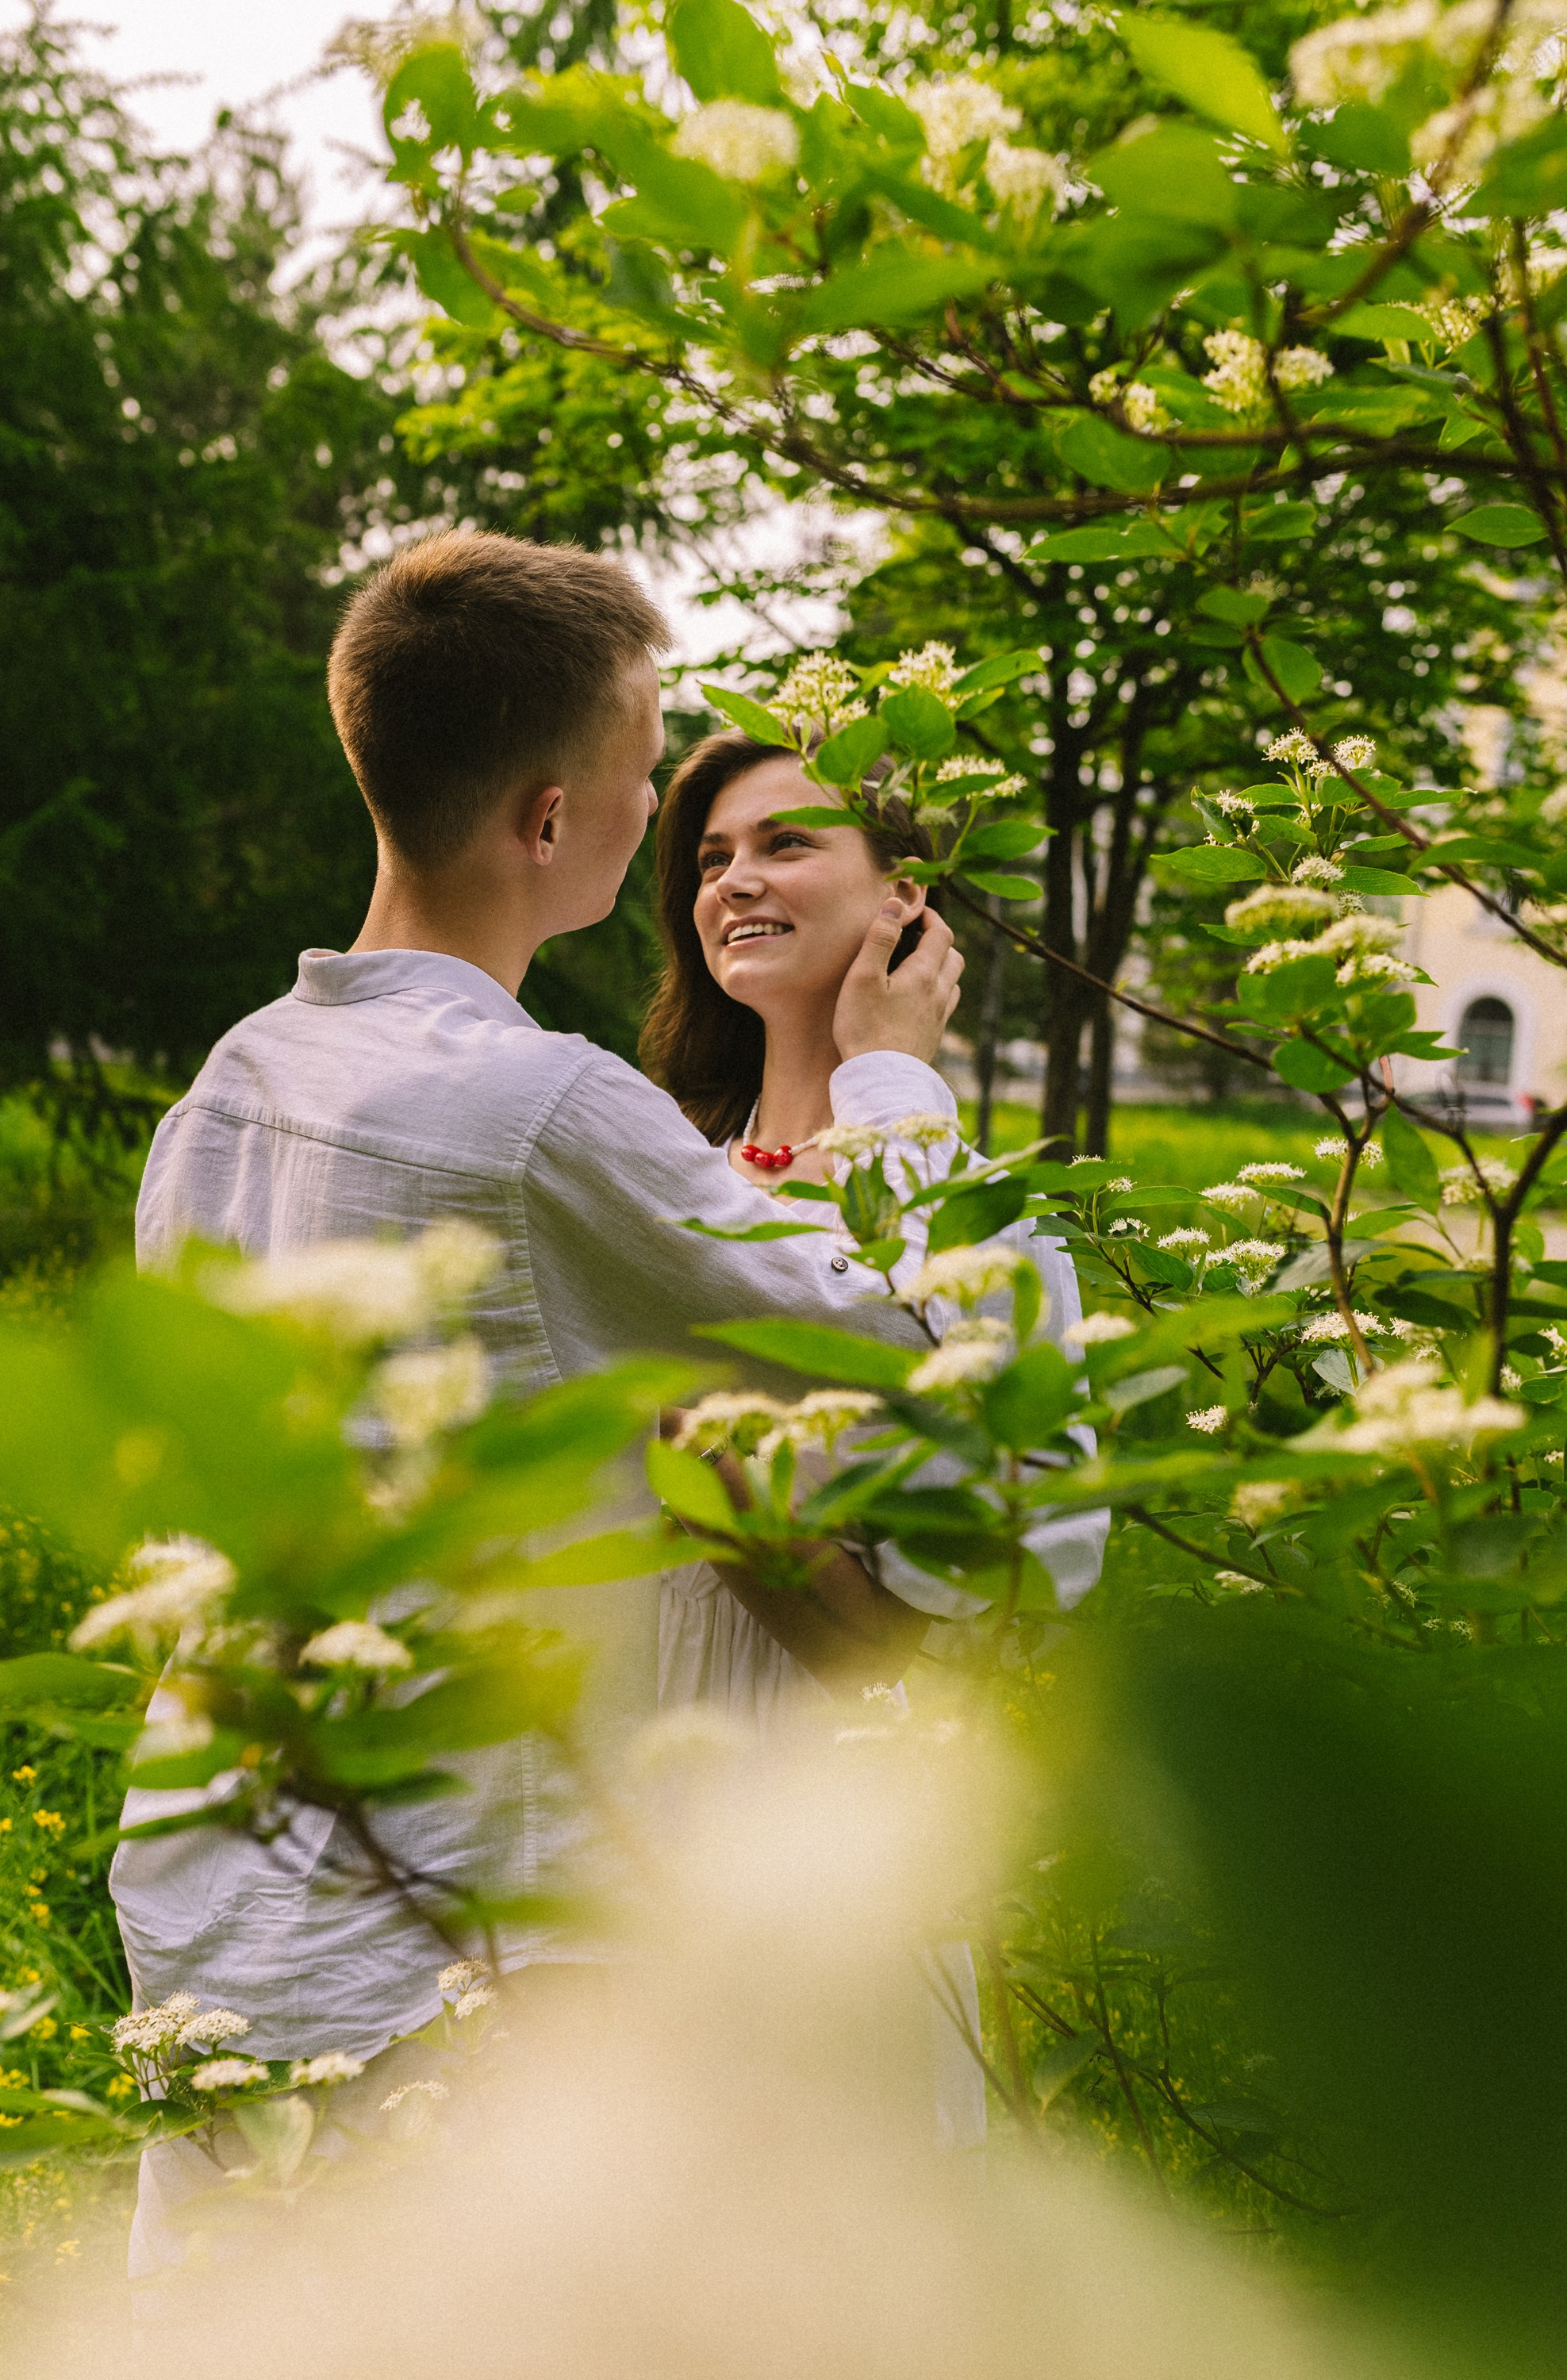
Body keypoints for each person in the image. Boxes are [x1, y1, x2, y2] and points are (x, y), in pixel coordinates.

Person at [117, 533, 966, 2266]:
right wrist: (895, 1079)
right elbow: (888, 1339)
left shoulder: (223, 1094)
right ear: (550, 821)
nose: (667, 814)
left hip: (240, 1903)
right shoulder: (539, 1113)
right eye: (648, 778)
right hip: (459, 1952)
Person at [638, 730, 1111, 2152]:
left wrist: (891, 1075)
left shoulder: (973, 1210)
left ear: (904, 900)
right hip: (615, 1793)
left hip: (826, 1817)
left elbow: (999, 1552)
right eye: (711, 858)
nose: (735, 881)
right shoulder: (651, 1173)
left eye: (787, 844)